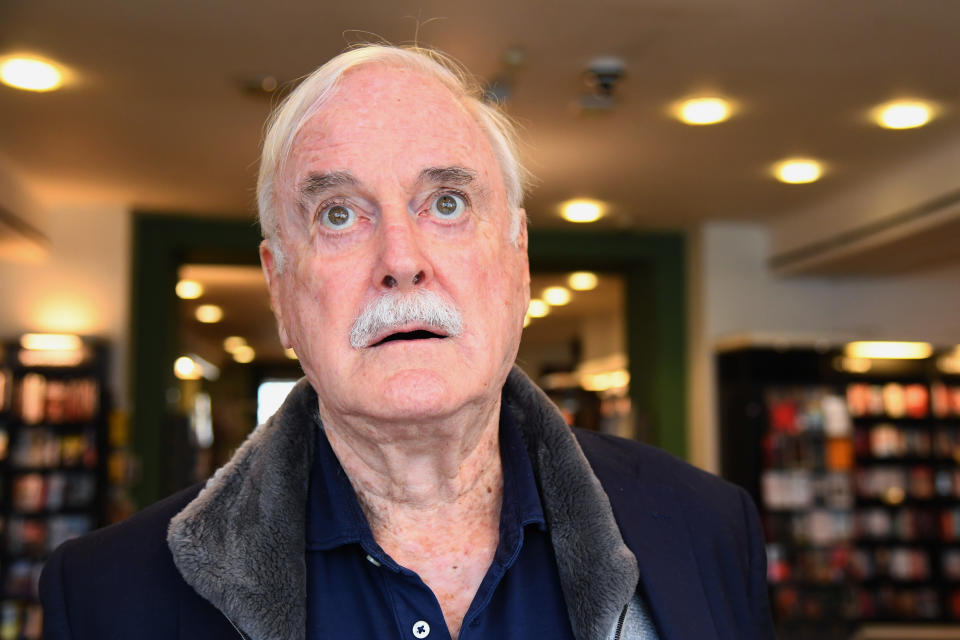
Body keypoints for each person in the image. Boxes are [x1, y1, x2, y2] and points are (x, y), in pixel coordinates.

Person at [40, 45, 774, 640]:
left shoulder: (705, 530)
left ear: (517, 261)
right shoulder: (109, 594)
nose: (400, 257)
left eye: (447, 204)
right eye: (337, 215)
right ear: (281, 291)